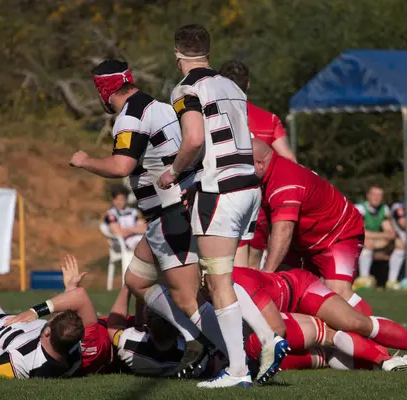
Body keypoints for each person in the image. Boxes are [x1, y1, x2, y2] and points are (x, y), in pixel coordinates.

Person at [70, 59, 284, 386]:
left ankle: (228, 353)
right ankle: (222, 342)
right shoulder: (161, 106)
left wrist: (85, 161)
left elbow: (122, 165)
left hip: (169, 214)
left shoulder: (130, 116)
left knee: (190, 296)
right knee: (137, 280)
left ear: (104, 91)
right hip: (189, 205)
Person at [156, 24, 287, 388]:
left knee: (215, 280)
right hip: (249, 188)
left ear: (177, 54)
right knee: (223, 276)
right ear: (208, 52)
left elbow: (195, 138)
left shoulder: (186, 88)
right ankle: (268, 338)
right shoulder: (232, 86)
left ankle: (238, 370)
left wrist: (173, 171)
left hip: (220, 190)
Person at [232, 266, 407, 370]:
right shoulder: (205, 293)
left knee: (354, 322)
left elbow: (275, 328)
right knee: (259, 352)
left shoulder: (235, 280)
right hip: (280, 313)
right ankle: (380, 361)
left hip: (300, 288)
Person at [251, 139, 373, 316]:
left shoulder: (285, 181)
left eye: (242, 166)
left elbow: (283, 229)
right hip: (305, 240)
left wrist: (268, 273)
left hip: (339, 233)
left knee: (338, 291)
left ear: (260, 164)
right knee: (289, 287)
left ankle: (373, 332)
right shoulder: (268, 176)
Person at [219, 59, 296, 269]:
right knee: (252, 270)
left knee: (219, 270)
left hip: (220, 201)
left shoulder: (212, 118)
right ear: (248, 85)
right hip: (257, 203)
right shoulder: (269, 119)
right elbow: (289, 162)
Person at [354, 184, 396, 287]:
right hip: (353, 241)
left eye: (379, 195)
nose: (376, 198)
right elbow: (360, 232)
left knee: (400, 244)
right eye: (374, 194)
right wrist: (381, 236)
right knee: (367, 243)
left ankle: (392, 281)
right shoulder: (360, 208)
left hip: (373, 241)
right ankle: (363, 280)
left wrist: (378, 237)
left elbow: (390, 233)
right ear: (368, 195)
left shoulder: (384, 209)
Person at [104, 185, 146, 251]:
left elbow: (144, 229)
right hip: (122, 243)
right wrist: (135, 230)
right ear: (113, 200)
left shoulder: (134, 212)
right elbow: (119, 233)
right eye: (116, 199)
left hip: (137, 238)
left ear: (126, 199)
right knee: (142, 246)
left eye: (121, 199)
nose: (119, 202)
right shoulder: (111, 214)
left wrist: (128, 229)